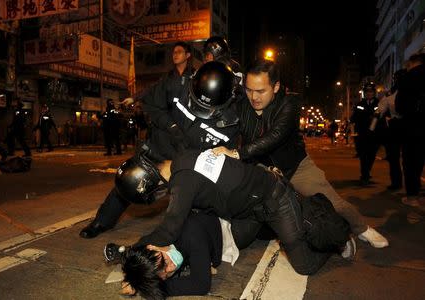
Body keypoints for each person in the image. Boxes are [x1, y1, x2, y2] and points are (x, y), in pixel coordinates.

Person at [213, 60, 388, 248]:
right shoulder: (240, 105)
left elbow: (276, 136)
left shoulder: (290, 102)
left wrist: (238, 153)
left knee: (332, 202)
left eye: (261, 91)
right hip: (259, 168)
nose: (254, 97)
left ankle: (362, 229)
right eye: (249, 90)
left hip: (295, 166)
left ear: (276, 86)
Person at [114, 150, 351, 278]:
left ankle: (336, 242)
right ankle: (285, 229)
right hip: (248, 209)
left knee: (304, 266)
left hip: (275, 199)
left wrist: (132, 251)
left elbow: (168, 231)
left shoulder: (182, 181)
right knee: (235, 244)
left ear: (151, 185)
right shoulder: (181, 161)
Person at [79, 61, 240, 238]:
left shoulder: (232, 121)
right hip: (161, 145)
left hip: (190, 161)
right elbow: (151, 104)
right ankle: (102, 221)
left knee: (192, 205)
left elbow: (220, 158)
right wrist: (171, 126)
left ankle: (178, 243)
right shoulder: (176, 85)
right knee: (130, 180)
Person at [395, 53, 425, 206]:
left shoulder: (408, 77)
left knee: (411, 160)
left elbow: (399, 106)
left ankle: (412, 196)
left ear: (413, 62)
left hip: (413, 125)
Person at [376, 69, 407, 190]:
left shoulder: (391, 94)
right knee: (400, 157)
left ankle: (399, 183)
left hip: (399, 126)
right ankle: (403, 183)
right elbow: (380, 110)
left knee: (398, 157)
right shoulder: (391, 94)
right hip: (401, 126)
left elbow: (380, 110)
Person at [350, 83, 380, 185]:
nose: (369, 94)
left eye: (371, 92)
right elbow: (353, 118)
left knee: (371, 155)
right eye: (367, 92)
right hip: (362, 134)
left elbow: (384, 116)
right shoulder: (360, 104)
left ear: (374, 93)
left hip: (375, 134)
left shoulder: (379, 103)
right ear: (364, 93)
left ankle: (367, 172)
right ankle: (365, 175)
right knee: (363, 155)